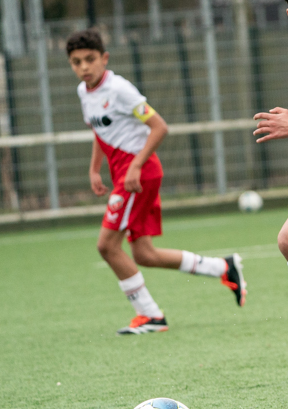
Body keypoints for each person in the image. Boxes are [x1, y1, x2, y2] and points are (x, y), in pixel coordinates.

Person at [68, 28, 246, 335]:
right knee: (144, 254)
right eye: (76, 62)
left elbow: (160, 127)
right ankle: (223, 267)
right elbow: (101, 130)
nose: (84, 67)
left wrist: (135, 166)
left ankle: (150, 315)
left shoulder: (120, 90)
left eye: (90, 59)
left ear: (104, 58)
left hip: (139, 175)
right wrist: (95, 169)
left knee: (107, 246)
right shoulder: (84, 92)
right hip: (128, 176)